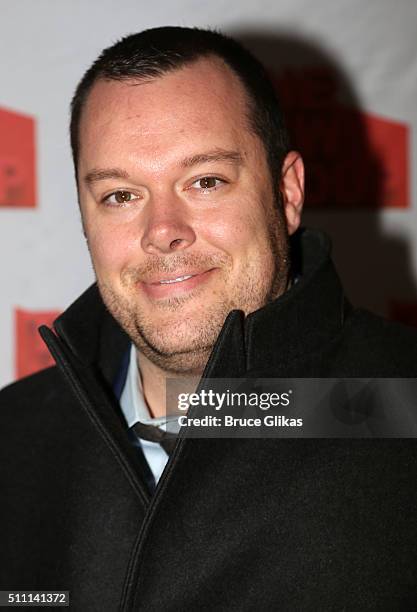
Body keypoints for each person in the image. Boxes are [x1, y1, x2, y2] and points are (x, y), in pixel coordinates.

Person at [1, 26, 417, 611]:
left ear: (288, 193)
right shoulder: (12, 441)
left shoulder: (405, 406)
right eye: (121, 195)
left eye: (205, 181)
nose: (163, 230)